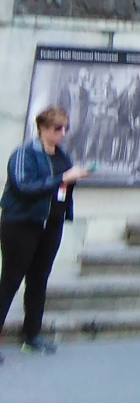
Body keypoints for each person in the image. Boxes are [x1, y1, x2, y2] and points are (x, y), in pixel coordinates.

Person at [0, 106, 93, 362]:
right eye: (57, 128)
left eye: (65, 128)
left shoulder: (61, 155)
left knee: (39, 279)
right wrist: (62, 177)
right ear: (42, 128)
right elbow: (23, 186)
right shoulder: (26, 153)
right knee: (10, 280)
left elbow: (62, 185)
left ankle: (31, 335)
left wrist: (75, 177)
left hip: (51, 223)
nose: (62, 133)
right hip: (22, 223)